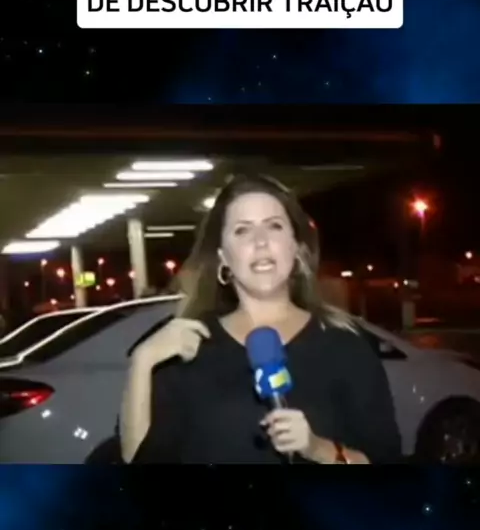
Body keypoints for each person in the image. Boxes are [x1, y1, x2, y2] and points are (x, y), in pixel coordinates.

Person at [120, 173, 402, 465]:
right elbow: (138, 460)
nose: (261, 241)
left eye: (274, 226)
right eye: (242, 230)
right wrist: (142, 362)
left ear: (296, 247)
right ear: (223, 257)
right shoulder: (189, 346)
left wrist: (318, 448)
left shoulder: (344, 345)